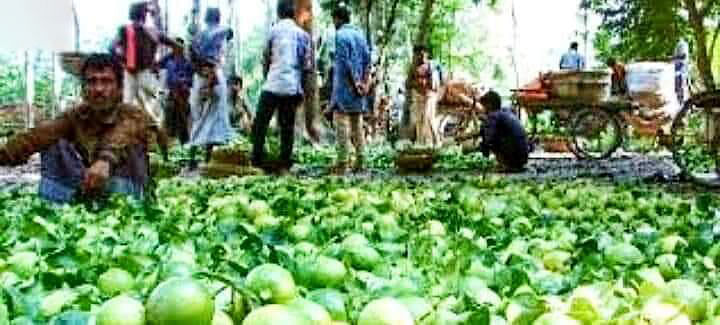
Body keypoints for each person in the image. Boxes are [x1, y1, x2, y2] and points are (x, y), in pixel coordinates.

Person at [0, 53, 168, 203]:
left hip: (126, 192)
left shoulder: (134, 115)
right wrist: (5, 153)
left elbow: (124, 133)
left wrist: (106, 160)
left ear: (119, 90)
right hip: (90, 185)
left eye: (106, 81)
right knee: (52, 142)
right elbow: (37, 136)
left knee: (133, 146)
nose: (99, 89)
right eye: (92, 81)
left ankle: (125, 207)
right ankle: (56, 204)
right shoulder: (75, 116)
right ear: (83, 89)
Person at [251, 0, 313, 171]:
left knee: (261, 123)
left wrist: (267, 78)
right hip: (292, 86)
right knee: (287, 126)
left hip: (273, 84)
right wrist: (302, 91)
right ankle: (284, 163)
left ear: (279, 13)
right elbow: (306, 67)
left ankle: (256, 159)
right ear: (293, 13)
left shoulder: (273, 31)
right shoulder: (303, 35)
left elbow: (265, 58)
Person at [112, 2, 179, 124]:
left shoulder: (147, 31)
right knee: (142, 101)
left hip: (139, 72)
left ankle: (152, 126)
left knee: (135, 102)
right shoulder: (145, 31)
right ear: (144, 15)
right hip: (135, 73)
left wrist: (158, 63)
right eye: (146, 12)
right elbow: (177, 46)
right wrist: (159, 62)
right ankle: (149, 127)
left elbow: (112, 48)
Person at [187, 7, 235, 168]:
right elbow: (229, 34)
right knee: (214, 119)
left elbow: (191, 56)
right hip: (214, 75)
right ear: (218, 18)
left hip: (200, 76)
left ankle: (192, 158)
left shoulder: (198, 36)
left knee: (198, 118)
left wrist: (202, 70)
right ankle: (207, 159)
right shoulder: (222, 31)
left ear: (206, 18)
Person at [329, 5, 371, 173]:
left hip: (345, 88)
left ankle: (343, 162)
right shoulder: (360, 35)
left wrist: (356, 83)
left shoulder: (340, 35)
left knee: (342, 126)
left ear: (338, 19)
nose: (333, 23)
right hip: (359, 90)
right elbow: (368, 61)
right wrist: (365, 84)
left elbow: (346, 63)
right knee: (357, 126)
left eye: (334, 20)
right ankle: (361, 161)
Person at [480, 90, 529, 172]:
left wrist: (482, 150)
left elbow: (488, 139)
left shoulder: (493, 116)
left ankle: (506, 164)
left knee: (489, 140)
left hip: (513, 157)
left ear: (489, 105)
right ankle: (510, 163)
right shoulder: (506, 112)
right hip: (522, 158)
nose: (483, 109)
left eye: (484, 106)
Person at [158, 38, 193, 144]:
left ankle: (185, 142)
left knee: (183, 119)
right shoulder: (168, 60)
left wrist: (183, 81)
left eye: (179, 46)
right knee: (169, 117)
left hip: (183, 94)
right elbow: (157, 65)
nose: (177, 48)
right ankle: (169, 143)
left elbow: (192, 80)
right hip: (171, 93)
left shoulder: (187, 62)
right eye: (175, 46)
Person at [411, 45, 442, 146]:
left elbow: (437, 84)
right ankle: (420, 143)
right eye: (419, 54)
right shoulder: (413, 67)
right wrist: (417, 83)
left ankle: (437, 141)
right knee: (419, 120)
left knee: (428, 118)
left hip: (430, 95)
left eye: (424, 54)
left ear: (427, 54)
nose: (422, 56)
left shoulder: (432, 66)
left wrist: (427, 84)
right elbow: (408, 83)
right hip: (418, 96)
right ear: (416, 55)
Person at [672, 39, 690, 104]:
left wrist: (674, 57)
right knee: (678, 85)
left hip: (681, 66)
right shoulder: (680, 44)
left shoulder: (681, 44)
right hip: (679, 67)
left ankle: (682, 102)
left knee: (680, 84)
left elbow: (683, 56)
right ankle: (680, 101)